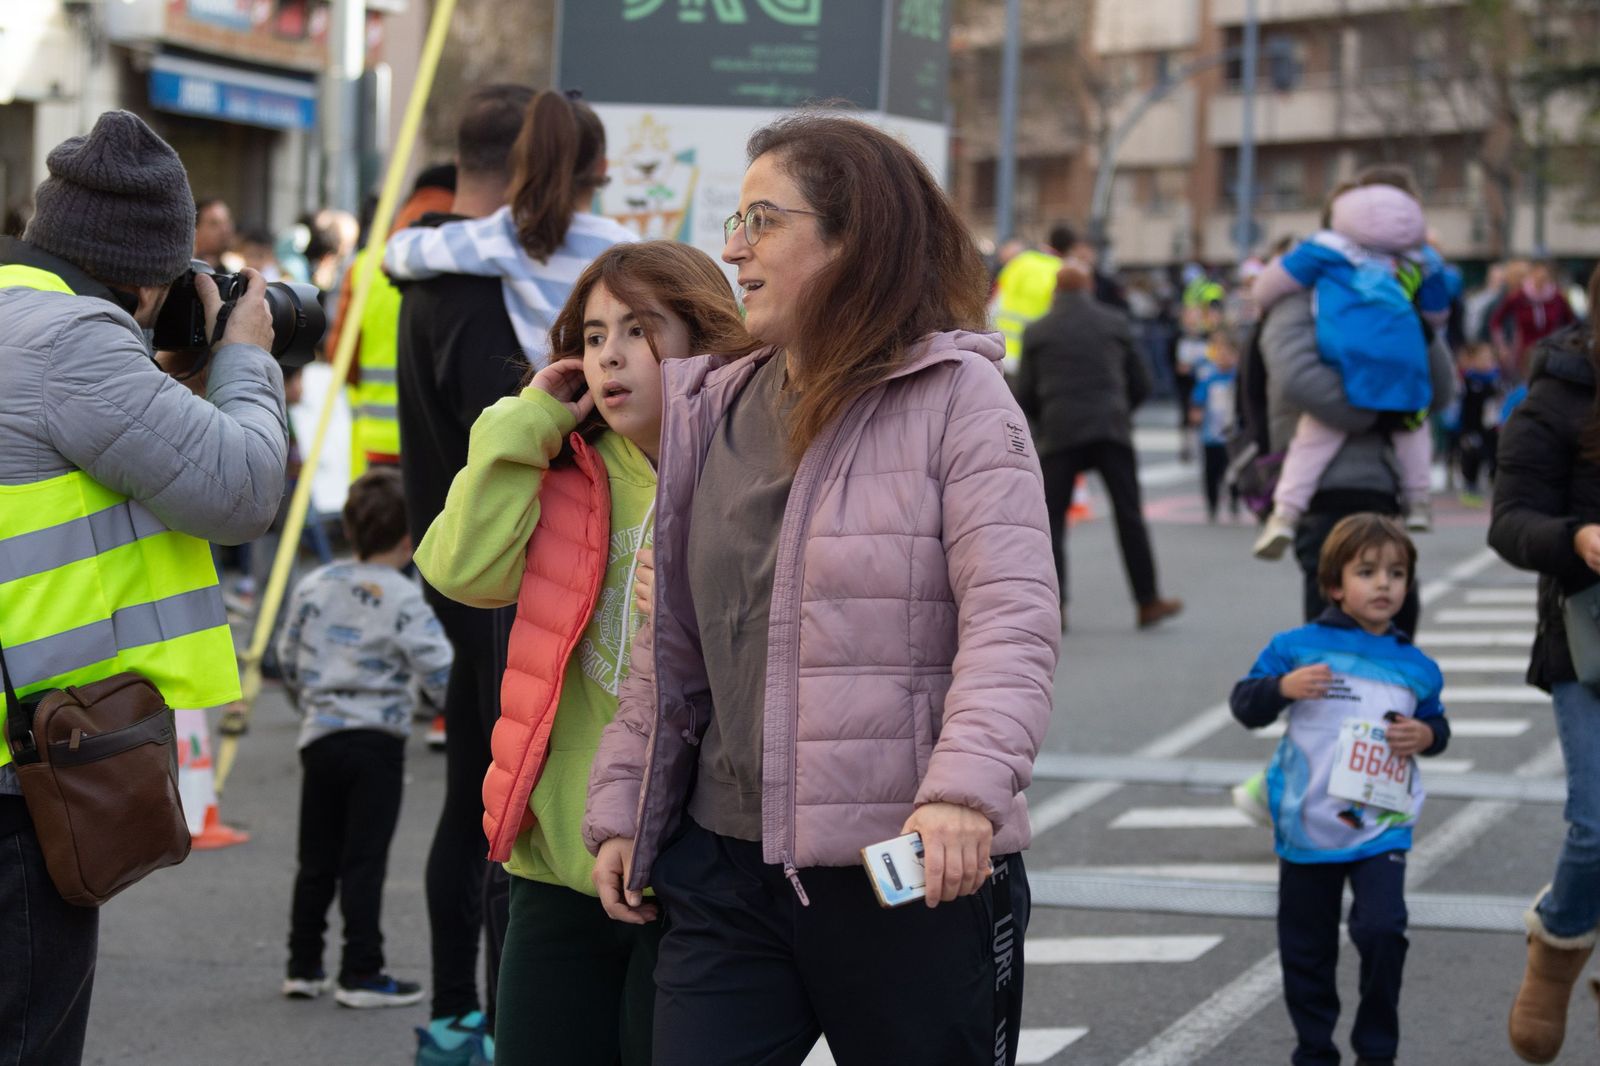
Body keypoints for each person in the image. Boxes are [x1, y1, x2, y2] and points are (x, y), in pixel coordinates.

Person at [583, 111, 1060, 1066]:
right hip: (723, 870)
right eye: (734, 218)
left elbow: (1013, 620)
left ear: (855, 240)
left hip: (906, 873)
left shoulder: (958, 400)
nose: (732, 247)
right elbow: (676, 643)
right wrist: (624, 804)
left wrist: (963, 795)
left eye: (762, 219)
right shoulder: (712, 404)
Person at [417, 241, 755, 1065]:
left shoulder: (748, 475)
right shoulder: (567, 468)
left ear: (704, 340)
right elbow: (459, 571)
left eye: (640, 330)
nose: (610, 354)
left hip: (688, 865)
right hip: (554, 860)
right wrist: (527, 418)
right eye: (595, 334)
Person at [0, 110, 286, 1065]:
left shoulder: (17, 313)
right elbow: (243, 487)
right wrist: (245, 348)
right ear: (154, 276)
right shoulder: (74, 342)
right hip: (17, 783)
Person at [385, 84, 632, 1062]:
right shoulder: (514, 284)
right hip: (521, 578)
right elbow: (534, 435)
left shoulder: (429, 267)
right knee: (517, 804)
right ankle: (494, 1016)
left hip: (457, 573)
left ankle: (460, 1014)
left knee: (482, 798)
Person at [1230, 514, 1451, 1066]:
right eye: (1368, 571)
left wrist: (1425, 734)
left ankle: (1377, 1050)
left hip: (1382, 824)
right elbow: (1245, 705)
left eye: (1397, 573)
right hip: (1306, 820)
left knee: (1383, 930)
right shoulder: (1297, 648)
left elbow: (1438, 728)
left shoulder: (1416, 666)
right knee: (1307, 950)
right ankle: (1314, 1049)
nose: (1384, 584)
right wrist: (1281, 687)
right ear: (1334, 584)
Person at [277, 467, 452, 1009]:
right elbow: (438, 667)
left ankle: (302, 965)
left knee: (316, 858)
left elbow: (287, 656)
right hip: (377, 743)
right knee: (364, 861)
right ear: (409, 540)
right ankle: (361, 970)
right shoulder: (403, 597)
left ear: (350, 530)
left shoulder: (315, 585)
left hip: (321, 738)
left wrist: (312, 703)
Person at [1487, 264, 1600, 1065]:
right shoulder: (1556, 397)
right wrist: (1577, 540)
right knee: (1596, 822)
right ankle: (1557, 944)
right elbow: (1510, 520)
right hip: (1587, 635)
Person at [1250, 168, 1455, 557]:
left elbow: (1441, 389)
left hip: (1383, 489)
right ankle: (1287, 514)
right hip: (1331, 488)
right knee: (1337, 606)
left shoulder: (1404, 285)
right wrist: (1379, 410)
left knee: (1392, 606)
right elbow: (1297, 378)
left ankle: (1416, 499)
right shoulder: (1302, 296)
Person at [1014, 258, 1184, 631]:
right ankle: (1147, 601)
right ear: (1089, 287)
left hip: (1059, 433)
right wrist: (1122, 409)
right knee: (1129, 515)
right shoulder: (1114, 322)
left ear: (1055, 292)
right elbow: (1142, 381)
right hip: (1110, 427)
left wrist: (1045, 423)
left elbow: (1023, 391)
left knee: (1051, 522)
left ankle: (1055, 608)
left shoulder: (1039, 331)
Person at [331, 164, 457, 474]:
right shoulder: (461, 263)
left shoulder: (362, 267)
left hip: (375, 447)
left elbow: (341, 360)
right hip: (443, 446)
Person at [1490, 259, 1577, 384]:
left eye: (1544, 276)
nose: (1540, 279)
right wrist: (1502, 346)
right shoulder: (1520, 296)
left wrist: (1566, 344)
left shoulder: (1556, 297)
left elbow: (1571, 323)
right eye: (1537, 275)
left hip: (1550, 350)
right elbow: (1496, 320)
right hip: (1524, 353)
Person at [1190, 329, 1240, 522]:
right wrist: (1195, 413)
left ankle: (1235, 500)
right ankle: (1212, 505)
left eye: (1227, 353)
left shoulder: (1238, 377)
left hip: (1233, 434)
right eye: (1219, 352)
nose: (1223, 357)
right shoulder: (1209, 377)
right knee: (1211, 472)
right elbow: (1197, 400)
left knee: (1233, 472)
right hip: (1211, 434)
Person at [1455, 340, 1502, 506]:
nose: (1487, 362)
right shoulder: (1468, 382)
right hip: (1472, 428)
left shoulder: (1496, 381)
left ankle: (1496, 483)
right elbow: (1462, 409)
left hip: (1491, 428)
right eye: (1482, 358)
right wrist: (1464, 431)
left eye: (1490, 358)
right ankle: (1470, 486)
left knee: (1495, 455)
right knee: (1472, 456)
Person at [193, 196, 235, 270]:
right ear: (195, 230)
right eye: (214, 224)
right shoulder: (184, 273)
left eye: (227, 222)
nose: (225, 230)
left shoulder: (233, 273)